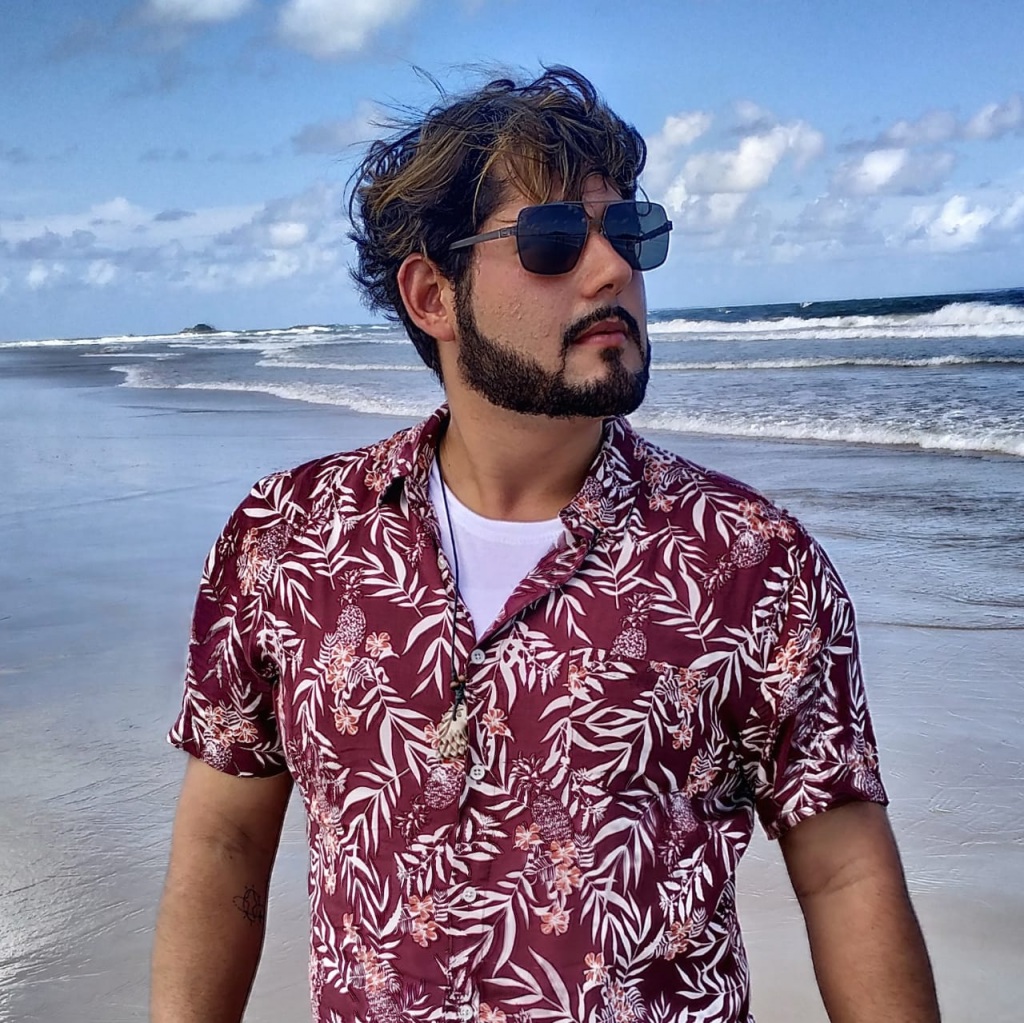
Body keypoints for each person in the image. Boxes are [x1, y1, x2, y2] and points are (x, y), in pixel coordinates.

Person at [151, 66, 940, 1023]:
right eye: (555, 239)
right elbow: (226, 845)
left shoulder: (747, 562)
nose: (611, 271)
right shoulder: (289, 540)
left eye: (630, 232)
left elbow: (846, 874)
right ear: (432, 296)